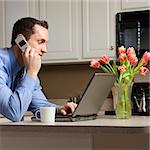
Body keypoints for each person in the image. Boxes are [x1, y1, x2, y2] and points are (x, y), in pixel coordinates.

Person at [0, 17, 77, 122]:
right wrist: (31, 73)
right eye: (40, 42)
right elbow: (14, 113)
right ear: (21, 41)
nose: (45, 50)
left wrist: (59, 110)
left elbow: (40, 106)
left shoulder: (27, 68)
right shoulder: (26, 69)